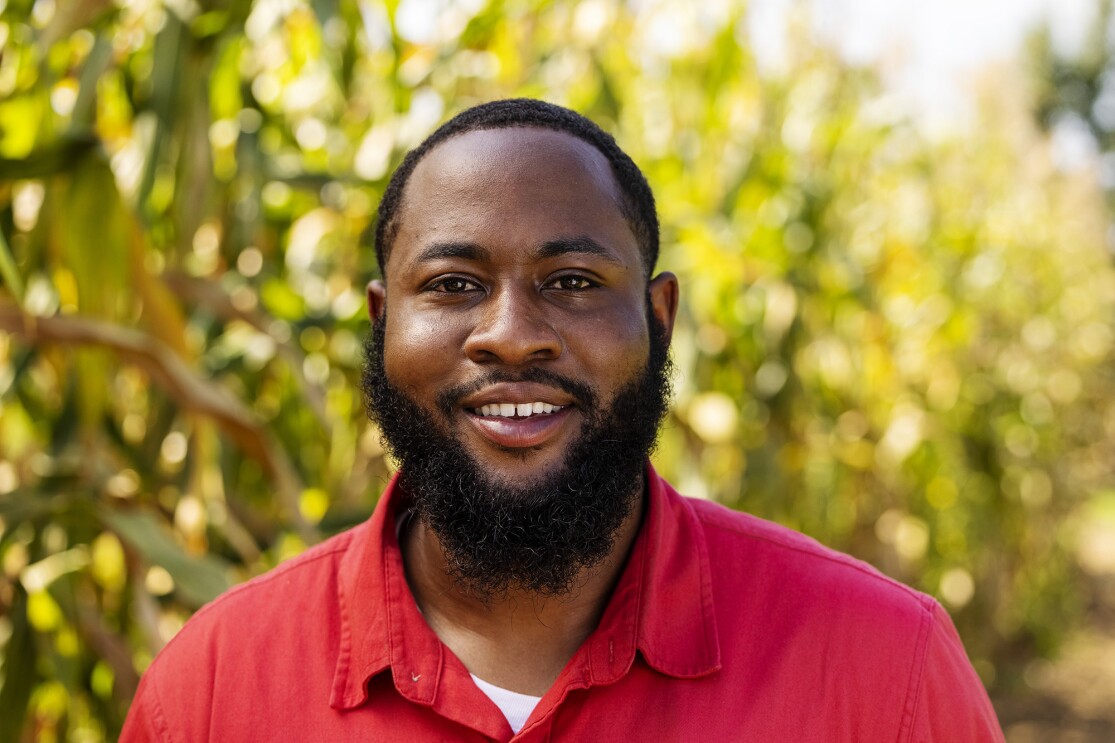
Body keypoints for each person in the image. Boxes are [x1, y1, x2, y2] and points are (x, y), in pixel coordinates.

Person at [121, 99, 1004, 741]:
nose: (511, 337)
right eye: (453, 285)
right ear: (381, 322)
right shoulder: (208, 694)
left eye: (572, 282)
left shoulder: (887, 673)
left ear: (659, 319)